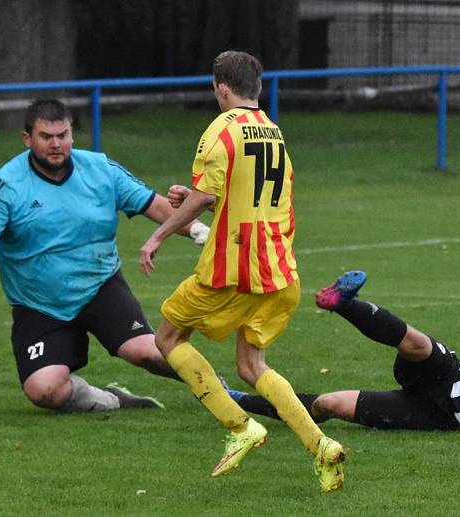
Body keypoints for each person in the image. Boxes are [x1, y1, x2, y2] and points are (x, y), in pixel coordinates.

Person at [138, 50, 345, 492]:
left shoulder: (219, 131)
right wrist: (195, 195)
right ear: (259, 89)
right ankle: (321, 445)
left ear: (221, 88)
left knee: (168, 337)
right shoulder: (274, 133)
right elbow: (230, 192)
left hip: (233, 268)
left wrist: (157, 236)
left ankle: (239, 426)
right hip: (280, 269)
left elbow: (204, 196)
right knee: (252, 364)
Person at [0, 98, 211, 414]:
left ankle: (223, 393)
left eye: (62, 135)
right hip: (39, 304)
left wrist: (197, 229)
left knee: (152, 352)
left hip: (100, 286)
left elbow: (155, 205)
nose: (56, 144)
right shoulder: (6, 185)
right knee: (44, 390)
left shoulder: (100, 169)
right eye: (46, 137)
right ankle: (111, 399)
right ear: (27, 138)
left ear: (72, 135)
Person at [231, 270, 460, 447]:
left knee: (331, 404)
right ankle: (342, 303)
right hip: (451, 374)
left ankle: (238, 400)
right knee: (417, 344)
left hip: (438, 415)